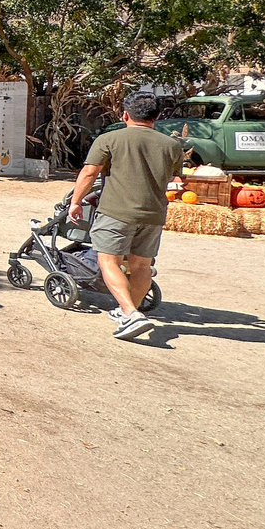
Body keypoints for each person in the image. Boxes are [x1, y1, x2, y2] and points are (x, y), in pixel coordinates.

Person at [69, 90, 184, 341]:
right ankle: (128, 311)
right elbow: (176, 180)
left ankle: (131, 314)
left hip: (116, 211)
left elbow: (89, 173)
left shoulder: (109, 139)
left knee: (108, 260)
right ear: (156, 116)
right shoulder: (172, 145)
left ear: (125, 115)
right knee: (141, 265)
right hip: (154, 214)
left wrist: (75, 202)